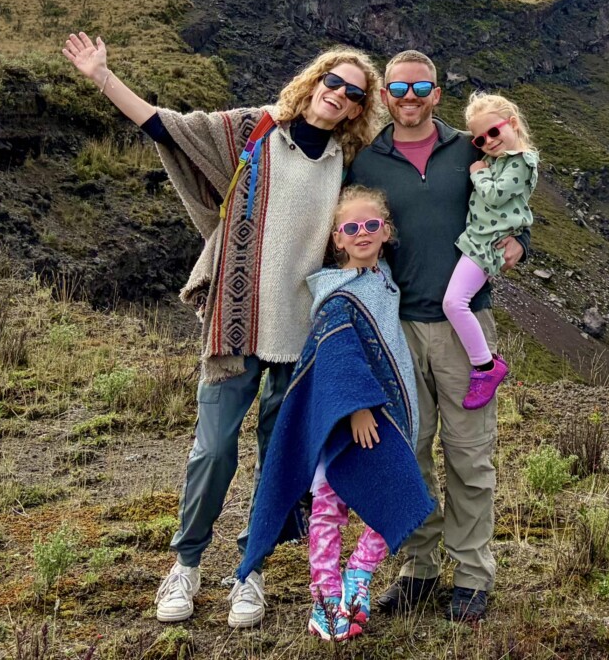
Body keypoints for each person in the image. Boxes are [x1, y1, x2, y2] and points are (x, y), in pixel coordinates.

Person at [60, 32, 383, 629]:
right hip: (237, 326)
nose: (339, 95)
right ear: (312, 82)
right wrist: (103, 77)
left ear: (361, 110)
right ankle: (185, 564)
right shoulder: (251, 133)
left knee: (279, 459)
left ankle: (250, 572)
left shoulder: (348, 163)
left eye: (354, 93)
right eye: (332, 82)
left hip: (303, 334)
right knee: (212, 451)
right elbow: (168, 128)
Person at [343, 50, 525, 625]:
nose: (410, 96)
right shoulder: (368, 161)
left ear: (437, 93)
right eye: (398, 88)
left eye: (421, 86)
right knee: (410, 453)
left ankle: (472, 575)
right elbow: (348, 231)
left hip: (464, 325)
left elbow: (511, 197)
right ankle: (418, 569)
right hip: (396, 329)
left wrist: (524, 239)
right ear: (385, 97)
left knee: (469, 457)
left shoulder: (467, 148)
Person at [237, 185, 433, 643]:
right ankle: (324, 599)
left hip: (389, 418)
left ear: (386, 232)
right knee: (328, 507)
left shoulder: (386, 279)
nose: (361, 233)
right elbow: (339, 357)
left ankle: (359, 574)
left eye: (371, 225)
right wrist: (358, 408)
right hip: (343, 421)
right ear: (337, 239)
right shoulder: (335, 294)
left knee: (402, 494)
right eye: (351, 228)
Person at [444, 92, 540, 409]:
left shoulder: (521, 163)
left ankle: (486, 366)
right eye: (480, 139)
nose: (488, 141)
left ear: (512, 124)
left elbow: (496, 196)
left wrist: (478, 172)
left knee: (454, 303)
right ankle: (485, 364)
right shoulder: (502, 160)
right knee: (456, 301)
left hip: (487, 245)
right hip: (480, 239)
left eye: (494, 132)